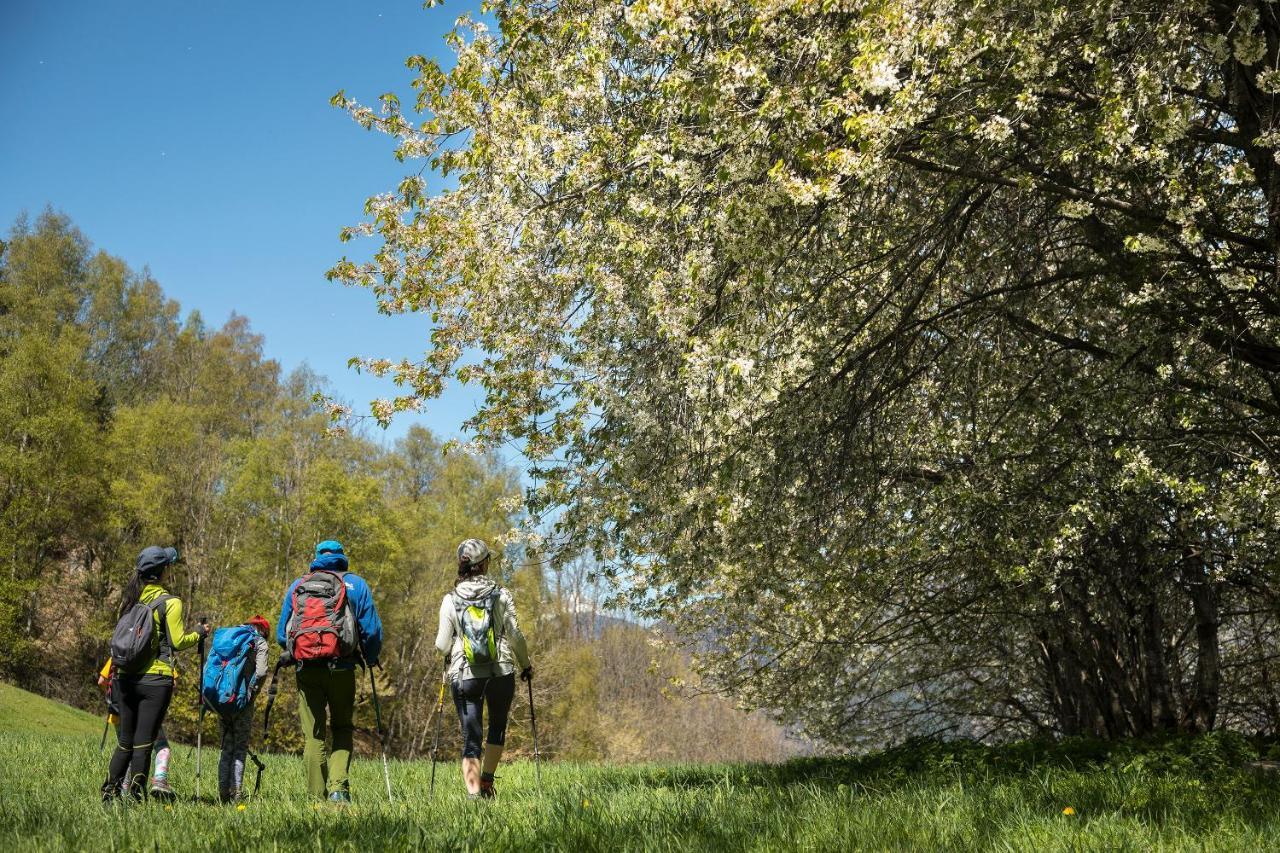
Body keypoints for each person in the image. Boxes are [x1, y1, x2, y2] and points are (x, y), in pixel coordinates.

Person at [277, 540, 382, 804]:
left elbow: (282, 633)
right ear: (342, 557)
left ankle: (315, 796)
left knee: (313, 734)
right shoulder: (356, 584)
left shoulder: (298, 585)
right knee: (342, 727)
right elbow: (372, 630)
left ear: (316, 558)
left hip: (307, 669)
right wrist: (370, 657)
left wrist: (301, 650)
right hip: (342, 668)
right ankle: (338, 790)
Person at [101, 546, 209, 803]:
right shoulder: (170, 602)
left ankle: (108, 794)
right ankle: (135, 797)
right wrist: (200, 633)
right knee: (144, 742)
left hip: (124, 678)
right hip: (155, 679)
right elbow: (178, 641)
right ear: (163, 572)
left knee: (125, 742)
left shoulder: (130, 602)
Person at [436, 538, 532, 799]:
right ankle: (487, 782)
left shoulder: (450, 599)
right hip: (501, 670)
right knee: (497, 726)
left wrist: (455, 646)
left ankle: (473, 793)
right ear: (484, 563)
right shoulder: (501, 595)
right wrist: (526, 664)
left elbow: (442, 645)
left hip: (465, 674)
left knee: (471, 734)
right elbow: (515, 635)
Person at [97, 660, 175, 798]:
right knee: (161, 747)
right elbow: (172, 682)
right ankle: (158, 781)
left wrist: (116, 698)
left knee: (126, 750)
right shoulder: (157, 656)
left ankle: (121, 790)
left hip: (117, 714)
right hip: (146, 714)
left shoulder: (120, 651)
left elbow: (101, 681)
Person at [217, 614, 271, 803]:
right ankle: (236, 794)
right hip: (242, 701)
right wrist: (252, 692)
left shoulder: (230, 637)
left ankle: (223, 794)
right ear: (264, 630)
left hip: (222, 699)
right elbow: (262, 671)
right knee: (239, 748)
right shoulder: (260, 642)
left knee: (226, 747)